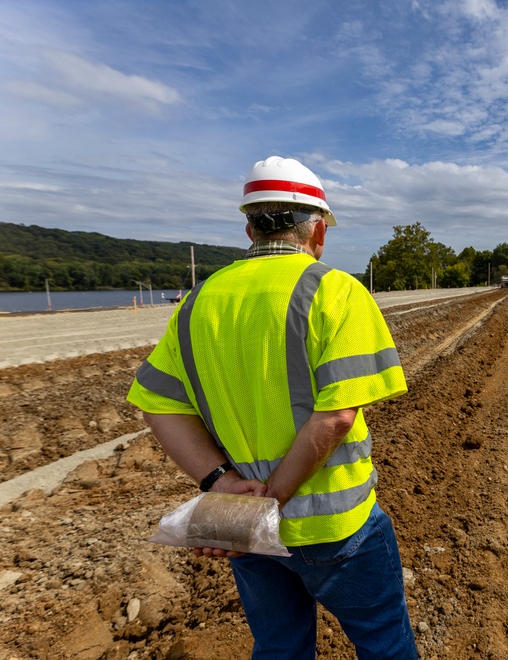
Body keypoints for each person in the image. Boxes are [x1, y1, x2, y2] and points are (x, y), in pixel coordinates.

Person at [126, 156, 418, 659]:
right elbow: (337, 416)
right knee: (384, 644)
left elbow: (158, 406)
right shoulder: (336, 289)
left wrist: (222, 485)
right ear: (318, 230)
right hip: (337, 527)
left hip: (251, 532)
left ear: (249, 227)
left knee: (279, 648)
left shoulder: (199, 300)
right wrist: (275, 497)